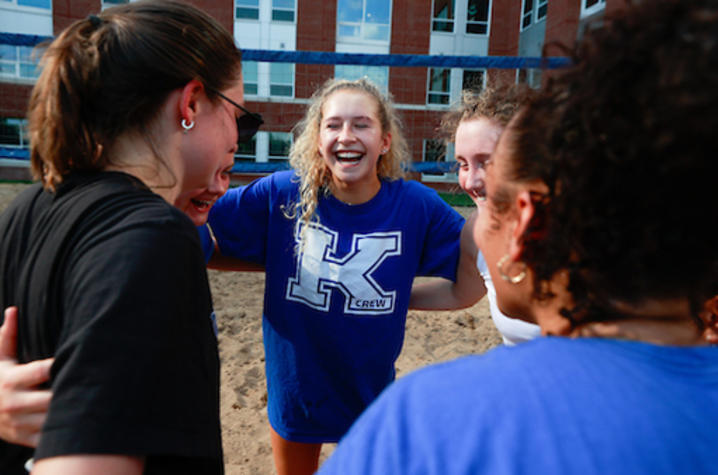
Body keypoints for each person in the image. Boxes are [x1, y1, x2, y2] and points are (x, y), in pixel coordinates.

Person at [318, 0, 718, 473]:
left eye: (493, 179)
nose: (470, 185)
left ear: (527, 223)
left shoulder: (425, 425)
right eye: (461, 165)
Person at [0, 0, 256, 472]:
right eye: (238, 113)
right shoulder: (153, 238)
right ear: (191, 102)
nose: (239, 138)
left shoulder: (28, 208)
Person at [202, 77, 481, 474]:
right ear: (317, 138)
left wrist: (403, 294)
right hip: (297, 388)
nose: (346, 135)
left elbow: (472, 277)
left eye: (361, 124)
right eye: (333, 125)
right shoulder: (283, 194)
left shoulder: (417, 207)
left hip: (368, 391)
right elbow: (201, 227)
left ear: (385, 140)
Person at [410, 85, 541, 345]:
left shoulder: (579, 231)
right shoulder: (478, 231)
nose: (470, 181)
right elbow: (463, 294)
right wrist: (393, 299)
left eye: (486, 161)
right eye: (463, 164)